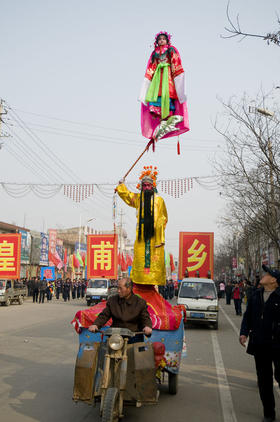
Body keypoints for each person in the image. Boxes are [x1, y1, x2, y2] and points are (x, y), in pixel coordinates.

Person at [240, 265, 280, 422]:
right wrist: (243, 332)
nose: (263, 275)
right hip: (260, 344)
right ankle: (269, 414)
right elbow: (247, 316)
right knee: (264, 381)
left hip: (277, 345)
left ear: (274, 280)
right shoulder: (256, 295)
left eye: (268, 273)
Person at [116, 166, 167, 286]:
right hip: (141, 235)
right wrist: (121, 186)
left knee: (154, 258)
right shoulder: (139, 199)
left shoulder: (159, 200)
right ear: (142, 187)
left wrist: (160, 233)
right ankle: (139, 282)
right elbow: (128, 196)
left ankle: (153, 284)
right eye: (144, 185)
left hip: (155, 236)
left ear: (153, 186)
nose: (146, 187)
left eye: (149, 185)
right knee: (140, 256)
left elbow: (164, 218)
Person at [139, 31, 189, 142]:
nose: (161, 40)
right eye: (159, 39)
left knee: (167, 93)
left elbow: (176, 63)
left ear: (167, 40)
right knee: (157, 94)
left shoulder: (171, 50)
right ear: (156, 42)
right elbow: (151, 67)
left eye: (163, 39)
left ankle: (168, 113)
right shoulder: (154, 53)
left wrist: (178, 79)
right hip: (158, 78)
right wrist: (147, 81)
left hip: (168, 77)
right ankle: (157, 112)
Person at [89, 278, 152, 342]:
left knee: (139, 350)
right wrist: (96, 325)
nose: (118, 291)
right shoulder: (112, 300)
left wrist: (147, 327)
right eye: (117, 288)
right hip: (115, 336)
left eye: (121, 288)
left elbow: (145, 317)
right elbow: (104, 315)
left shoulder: (140, 302)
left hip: (133, 335)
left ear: (129, 289)